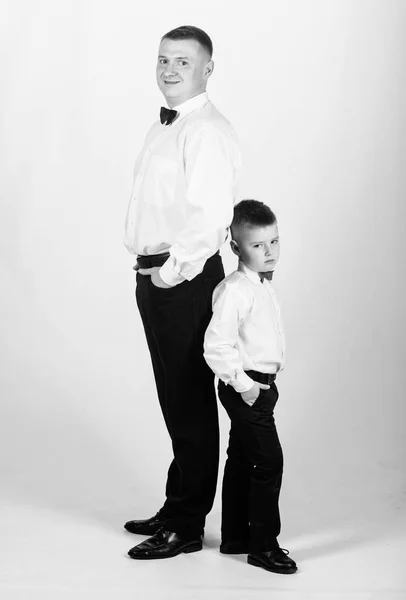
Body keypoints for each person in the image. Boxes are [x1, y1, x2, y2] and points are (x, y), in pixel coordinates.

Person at [123, 25, 241, 560]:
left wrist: (169, 274)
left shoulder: (206, 131)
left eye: (183, 62)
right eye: (163, 60)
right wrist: (152, 273)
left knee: (190, 400)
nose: (169, 70)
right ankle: (177, 505)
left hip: (185, 281)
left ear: (207, 69)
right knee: (174, 397)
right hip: (156, 277)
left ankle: (188, 524)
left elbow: (210, 217)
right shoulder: (163, 126)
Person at [203, 199, 297, 574]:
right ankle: (263, 546)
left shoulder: (260, 285)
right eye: (258, 245)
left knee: (242, 457)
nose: (270, 251)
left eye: (274, 242)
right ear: (236, 248)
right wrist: (244, 386)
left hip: (261, 386)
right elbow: (216, 345)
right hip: (246, 387)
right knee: (269, 461)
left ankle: (235, 536)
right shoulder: (235, 290)